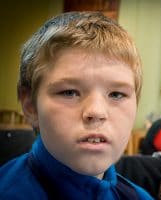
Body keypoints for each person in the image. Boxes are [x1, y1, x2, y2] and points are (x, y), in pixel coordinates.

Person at [0, 11, 152, 199]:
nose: (96, 112)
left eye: (116, 94)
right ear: (30, 106)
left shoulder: (139, 196)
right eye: (69, 92)